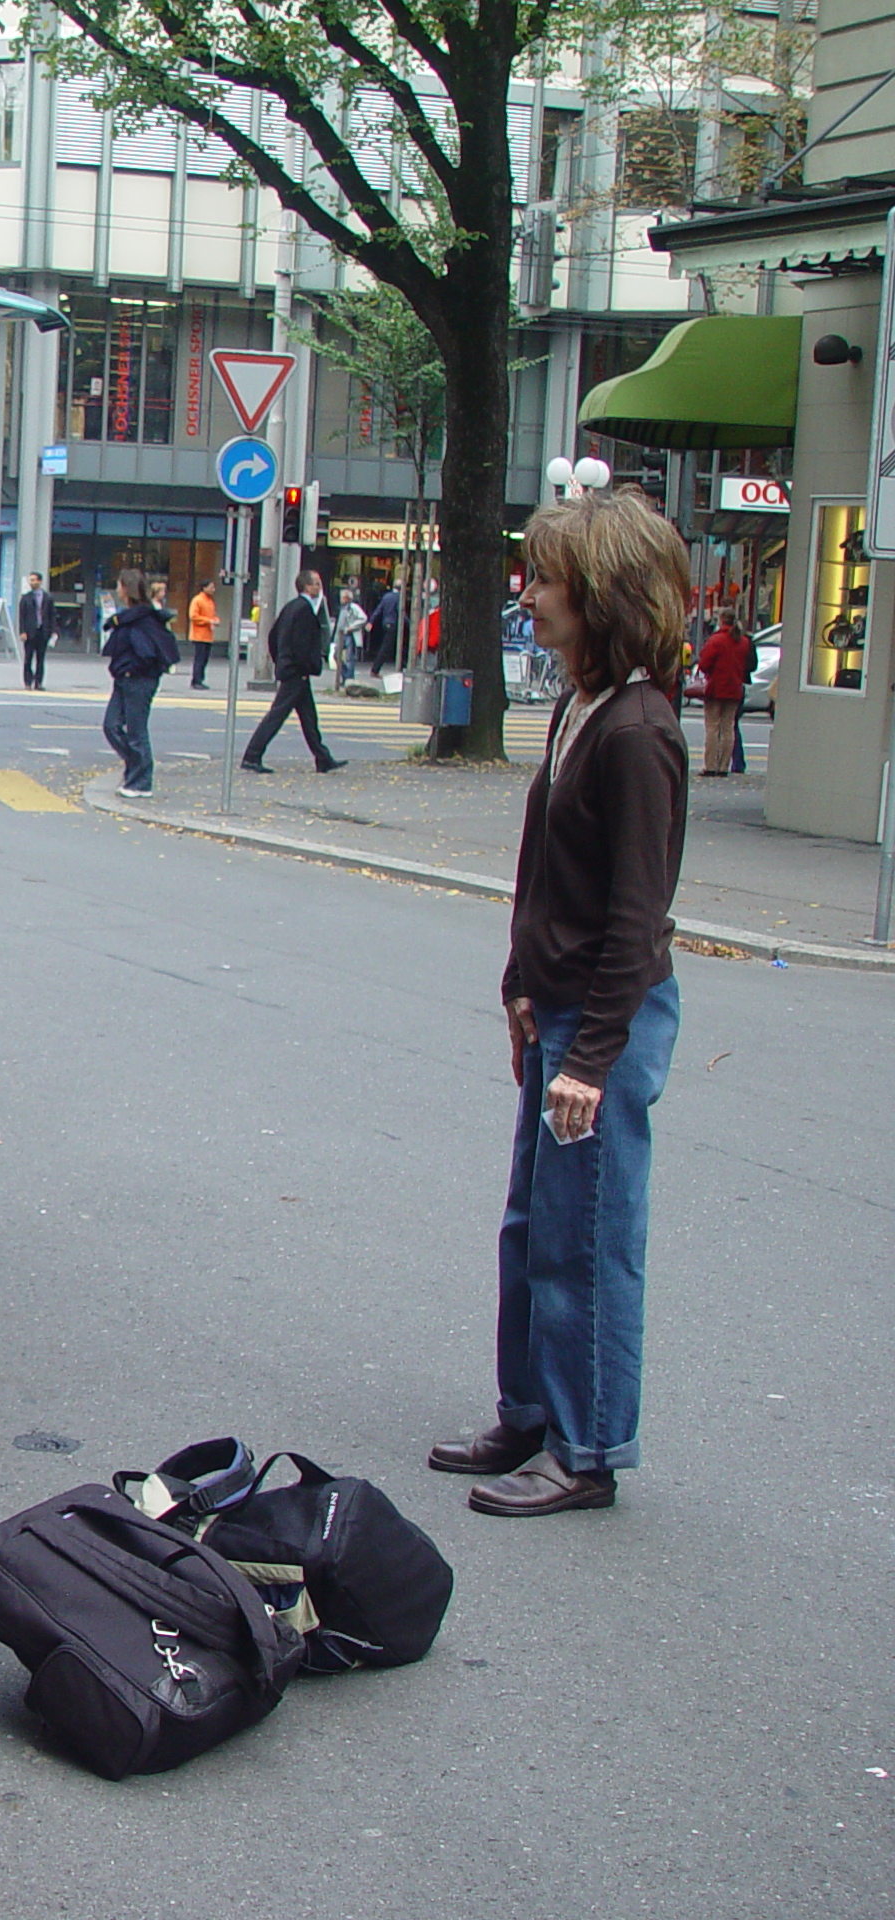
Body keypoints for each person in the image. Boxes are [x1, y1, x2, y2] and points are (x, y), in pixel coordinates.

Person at [429, 487, 689, 1517]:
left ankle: (584, 1451)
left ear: (601, 592)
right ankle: (530, 1412)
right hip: (561, 1008)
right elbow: (546, 876)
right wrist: (517, 990)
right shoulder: (581, 707)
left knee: (585, 1242)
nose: (526, 595)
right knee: (533, 1227)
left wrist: (589, 1057)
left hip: (601, 1021)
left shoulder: (637, 731)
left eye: (544, 578)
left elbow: (637, 915)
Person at [240, 569, 347, 774]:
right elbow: (303, 644)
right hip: (296, 672)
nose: (319, 586)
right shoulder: (304, 610)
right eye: (316, 583)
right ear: (306, 586)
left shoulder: (292, 607)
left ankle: (323, 757)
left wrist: (279, 659)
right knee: (277, 715)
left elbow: (273, 636)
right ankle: (252, 756)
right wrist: (306, 665)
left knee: (309, 717)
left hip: (293, 669)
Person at [99, 567, 177, 798]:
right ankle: (136, 767)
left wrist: (133, 669)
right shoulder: (132, 616)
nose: (117, 590)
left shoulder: (143, 619)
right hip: (125, 678)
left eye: (119, 585)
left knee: (136, 730)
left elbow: (146, 652)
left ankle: (141, 781)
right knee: (111, 725)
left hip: (139, 680)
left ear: (127, 589)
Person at [692, 606, 753, 779]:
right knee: (728, 727)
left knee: (712, 726)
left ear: (721, 620)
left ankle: (711, 765)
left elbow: (704, 663)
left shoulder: (716, 640)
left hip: (716, 688)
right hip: (735, 689)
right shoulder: (743, 641)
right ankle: (724, 765)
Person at [15, 571, 50, 689]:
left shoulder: (47, 598)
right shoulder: (26, 598)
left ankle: (39, 682)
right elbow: (22, 616)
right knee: (28, 658)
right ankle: (28, 682)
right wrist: (22, 631)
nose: (32, 582)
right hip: (30, 633)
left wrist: (52, 631)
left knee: (41, 659)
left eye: (34, 580)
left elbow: (52, 615)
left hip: (42, 631)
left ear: (40, 581)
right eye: (31, 580)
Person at [333, 583, 368, 684]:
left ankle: (349, 678)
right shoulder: (342, 608)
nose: (341, 599)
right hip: (341, 635)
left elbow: (363, 618)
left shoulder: (353, 607)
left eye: (343, 597)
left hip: (349, 635)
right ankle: (345, 676)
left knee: (349, 657)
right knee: (337, 656)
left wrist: (351, 627)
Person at [364, 582, 403, 676]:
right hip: (394, 623)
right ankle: (375, 669)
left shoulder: (386, 596)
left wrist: (371, 621)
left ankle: (377, 669)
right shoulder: (399, 598)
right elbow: (401, 612)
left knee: (386, 646)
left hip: (385, 623)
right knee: (386, 647)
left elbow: (378, 609)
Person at [186, 579, 219, 689]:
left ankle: (200, 679)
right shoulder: (198, 600)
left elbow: (212, 615)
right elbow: (193, 616)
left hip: (208, 635)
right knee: (199, 659)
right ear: (204, 588)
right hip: (199, 635)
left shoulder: (210, 601)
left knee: (204, 659)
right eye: (211, 587)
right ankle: (196, 681)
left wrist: (215, 620)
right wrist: (209, 620)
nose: (213, 590)